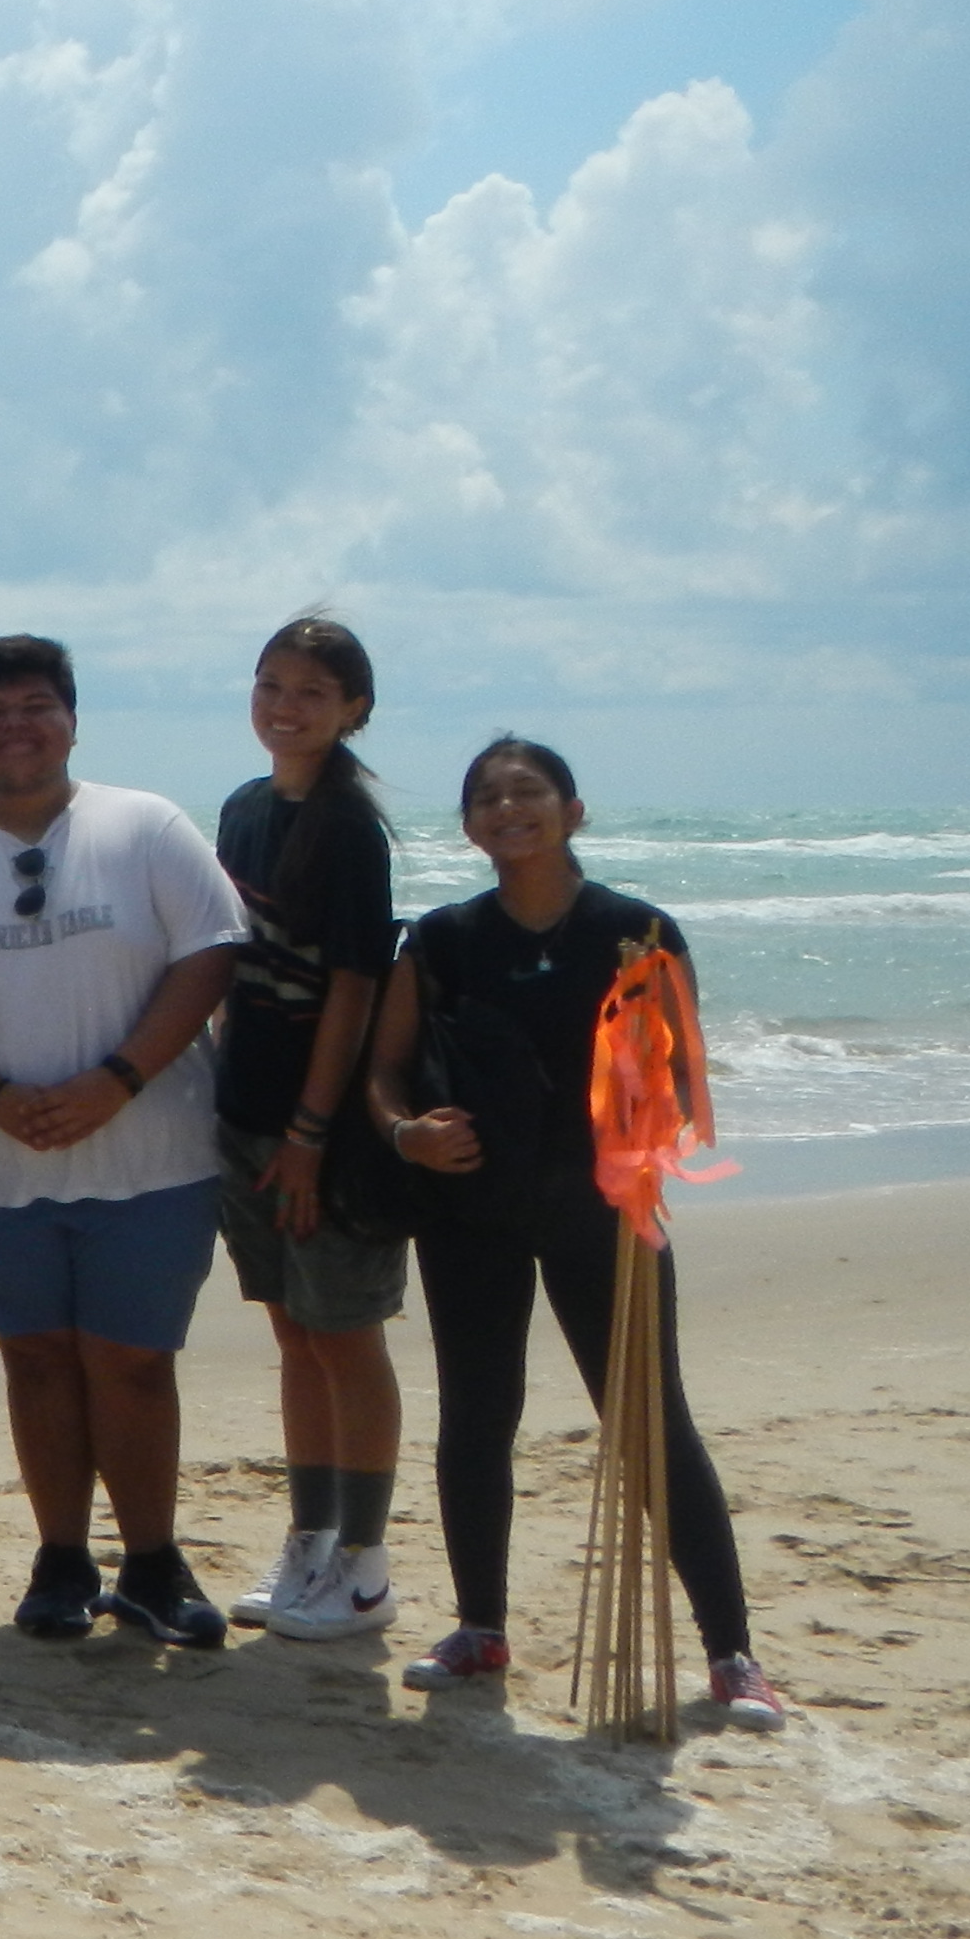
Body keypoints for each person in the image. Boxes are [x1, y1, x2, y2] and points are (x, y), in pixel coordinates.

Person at [364, 739, 790, 1727]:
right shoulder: (440, 940)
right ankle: (479, 1630)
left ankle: (731, 1654)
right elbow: (382, 1075)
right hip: (471, 1210)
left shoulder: (636, 933)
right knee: (476, 1415)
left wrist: (656, 1120)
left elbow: (685, 1081)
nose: (509, 808)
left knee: (646, 1422)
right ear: (469, 826)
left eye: (529, 792)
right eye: (488, 797)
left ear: (571, 809)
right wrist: (406, 1135)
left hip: (602, 1208)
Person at [0, 634, 246, 1647]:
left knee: (133, 1361)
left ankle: (151, 1562)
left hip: (154, 1157)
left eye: (35, 704)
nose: (15, 726)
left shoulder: (146, 827)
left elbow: (209, 957)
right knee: (35, 1359)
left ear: (71, 720)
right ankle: (59, 1557)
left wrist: (114, 1081)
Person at [209, 619, 408, 1644]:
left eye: (312, 692)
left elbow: (353, 988)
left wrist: (309, 1131)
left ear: (352, 709)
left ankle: (365, 1569)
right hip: (242, 1112)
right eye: (270, 684)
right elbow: (224, 965)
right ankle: (310, 1540)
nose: (284, 705)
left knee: (344, 1335)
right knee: (294, 1331)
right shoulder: (244, 810)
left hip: (314, 1131)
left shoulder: (346, 828)